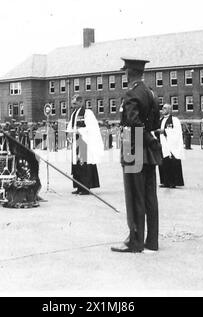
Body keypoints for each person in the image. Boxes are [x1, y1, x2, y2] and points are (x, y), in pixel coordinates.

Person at [111, 57, 160, 253]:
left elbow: (132, 122)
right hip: (149, 152)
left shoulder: (132, 93)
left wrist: (145, 137)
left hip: (133, 149)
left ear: (129, 73)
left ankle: (135, 241)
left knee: (134, 196)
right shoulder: (150, 93)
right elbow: (154, 123)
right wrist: (150, 139)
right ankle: (152, 241)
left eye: (125, 72)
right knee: (150, 197)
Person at [66, 94, 104, 195]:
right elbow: (70, 125)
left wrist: (79, 130)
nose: (73, 106)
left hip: (84, 142)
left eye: (75, 103)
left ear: (80, 102)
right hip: (76, 142)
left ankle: (86, 187)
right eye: (72, 104)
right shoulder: (74, 114)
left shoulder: (87, 113)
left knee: (84, 165)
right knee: (77, 165)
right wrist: (69, 131)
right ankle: (79, 186)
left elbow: (92, 127)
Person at [156, 103, 185, 189]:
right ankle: (165, 181)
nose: (163, 110)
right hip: (162, 144)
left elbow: (177, 132)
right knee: (163, 163)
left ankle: (173, 182)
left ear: (170, 110)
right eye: (162, 108)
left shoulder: (174, 120)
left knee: (172, 163)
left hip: (171, 145)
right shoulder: (160, 120)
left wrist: (164, 131)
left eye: (165, 108)